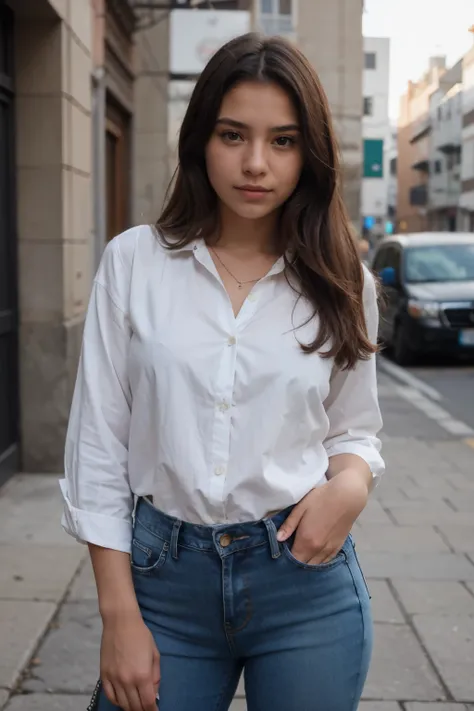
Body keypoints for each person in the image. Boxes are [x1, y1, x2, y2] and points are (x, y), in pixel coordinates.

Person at [60, 32, 384, 711]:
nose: (256, 163)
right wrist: (118, 615)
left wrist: (350, 486)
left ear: (309, 153)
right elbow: (97, 448)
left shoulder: (340, 279)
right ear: (200, 139)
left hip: (304, 583)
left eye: (284, 141)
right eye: (233, 134)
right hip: (162, 585)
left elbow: (354, 430)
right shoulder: (135, 264)